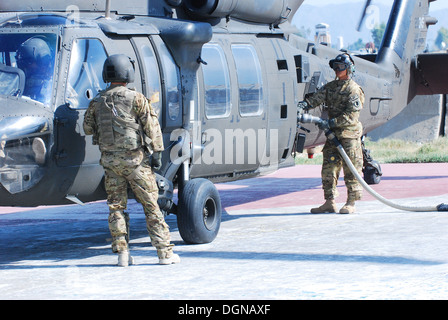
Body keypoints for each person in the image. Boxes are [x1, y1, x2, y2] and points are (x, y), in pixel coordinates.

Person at [83, 54, 180, 266]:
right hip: (136, 163)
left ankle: (122, 255)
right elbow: (152, 128)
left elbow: (88, 128)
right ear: (128, 73)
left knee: (116, 208)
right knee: (151, 206)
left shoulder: (97, 102)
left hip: (110, 164)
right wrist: (157, 155)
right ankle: (164, 253)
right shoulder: (136, 98)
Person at [298, 53, 365, 214]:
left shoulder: (353, 90)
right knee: (329, 169)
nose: (336, 70)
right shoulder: (331, 87)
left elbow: (351, 117)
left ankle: (351, 202)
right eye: (335, 66)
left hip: (348, 136)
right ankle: (330, 201)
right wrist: (302, 105)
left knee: (352, 170)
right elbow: (316, 98)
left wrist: (330, 123)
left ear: (348, 69)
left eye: (340, 67)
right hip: (332, 136)